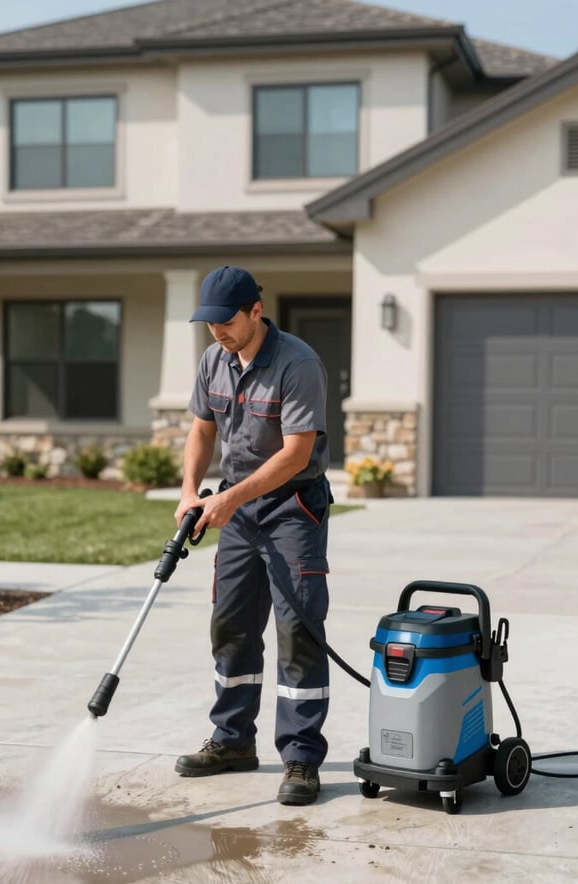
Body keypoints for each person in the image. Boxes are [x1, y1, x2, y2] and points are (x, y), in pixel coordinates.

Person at [174, 265, 333, 806]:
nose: (217, 331)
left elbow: (296, 453)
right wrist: (190, 492)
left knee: (299, 630)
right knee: (232, 625)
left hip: (293, 508)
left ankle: (301, 758)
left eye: (226, 321)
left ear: (255, 312)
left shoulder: (297, 362)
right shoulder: (213, 360)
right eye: (209, 323)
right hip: (236, 509)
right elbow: (202, 427)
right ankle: (233, 740)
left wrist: (229, 498)